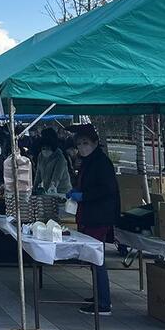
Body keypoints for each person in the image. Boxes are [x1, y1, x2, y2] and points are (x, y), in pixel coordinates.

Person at [67, 124, 119, 316]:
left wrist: (84, 195)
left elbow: (107, 189)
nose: (82, 147)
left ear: (96, 143)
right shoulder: (88, 161)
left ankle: (104, 303)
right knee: (93, 257)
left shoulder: (101, 163)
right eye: (79, 144)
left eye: (86, 143)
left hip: (99, 216)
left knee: (97, 258)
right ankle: (99, 295)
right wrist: (76, 192)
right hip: (89, 214)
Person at [34, 127, 72, 195]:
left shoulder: (60, 157)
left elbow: (56, 177)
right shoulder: (40, 156)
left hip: (62, 191)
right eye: (43, 148)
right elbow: (38, 174)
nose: (45, 151)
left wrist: (52, 188)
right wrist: (34, 188)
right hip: (48, 190)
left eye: (48, 148)